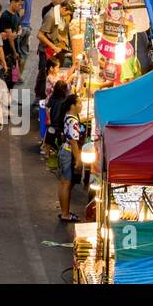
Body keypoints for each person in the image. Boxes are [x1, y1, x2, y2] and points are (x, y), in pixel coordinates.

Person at [57, 92, 84, 222]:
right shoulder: (73, 121)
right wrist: (78, 159)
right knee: (67, 184)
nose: (81, 105)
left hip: (64, 151)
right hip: (68, 153)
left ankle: (64, 211)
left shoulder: (68, 116)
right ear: (73, 105)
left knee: (63, 183)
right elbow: (74, 142)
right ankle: (65, 214)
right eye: (79, 103)